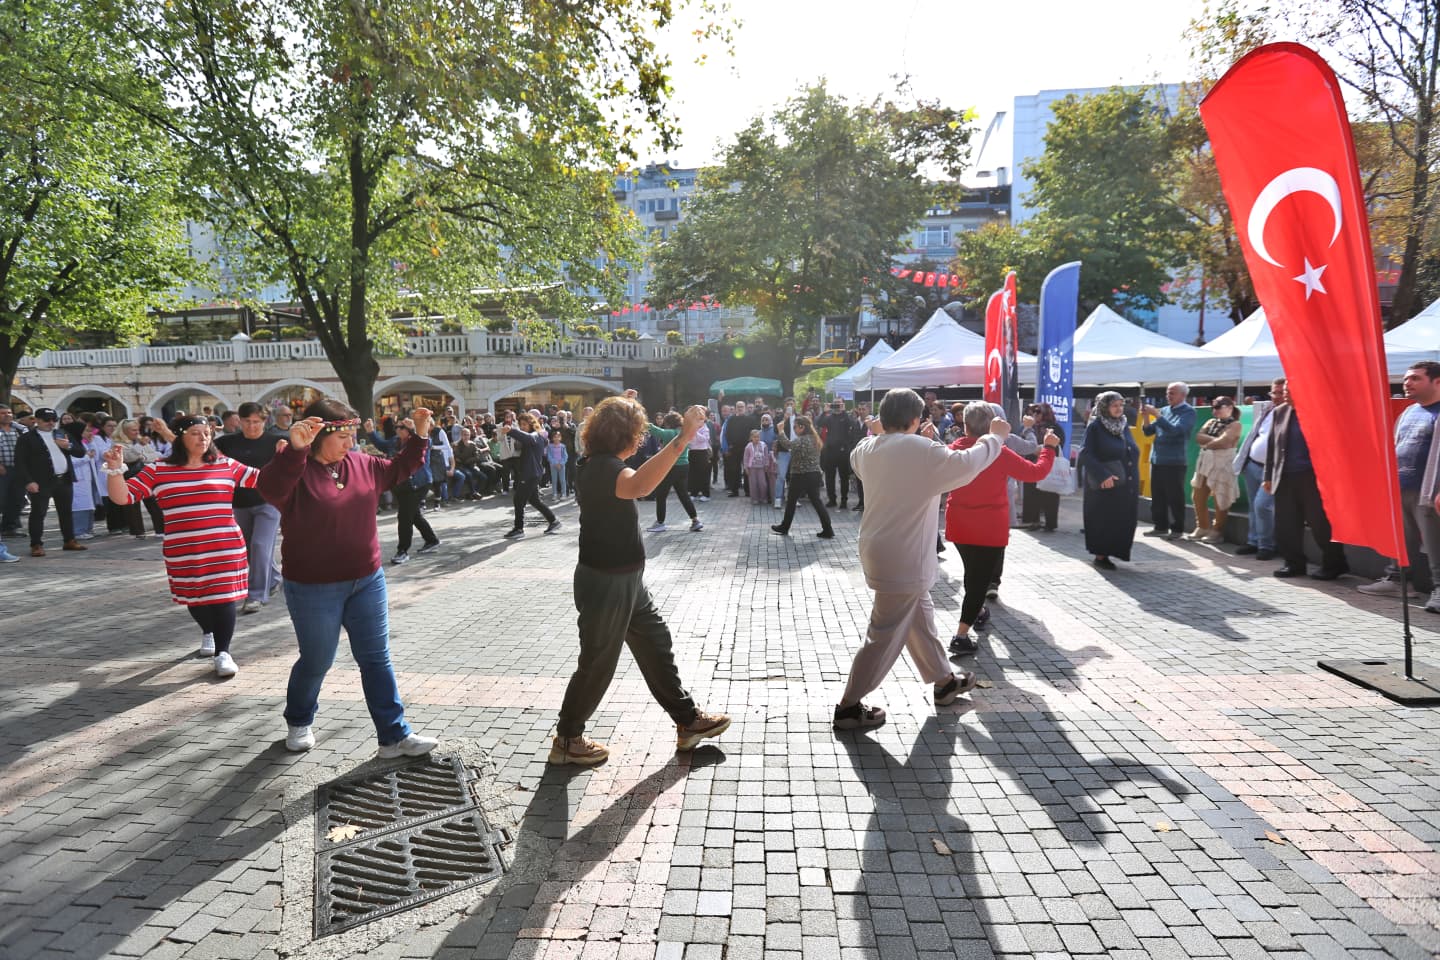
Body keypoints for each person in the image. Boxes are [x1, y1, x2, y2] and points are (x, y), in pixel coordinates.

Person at [549, 398, 730, 765]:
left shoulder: (603, 464)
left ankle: (687, 721)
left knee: (656, 644)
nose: (641, 439)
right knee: (598, 663)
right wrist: (682, 439)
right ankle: (567, 739)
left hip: (626, 581)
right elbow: (640, 486)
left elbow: (637, 479)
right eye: (638, 433)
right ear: (622, 436)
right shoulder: (602, 468)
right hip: (606, 583)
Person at [257, 399, 439, 757]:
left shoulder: (361, 463)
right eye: (342, 435)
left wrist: (420, 434)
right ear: (317, 435)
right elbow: (270, 489)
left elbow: (401, 467)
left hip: (366, 580)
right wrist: (294, 450)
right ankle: (299, 721)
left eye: (352, 434)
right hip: (312, 587)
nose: (350, 442)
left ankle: (394, 736)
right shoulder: (295, 468)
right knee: (317, 660)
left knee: (376, 657)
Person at [833, 389, 1006, 730]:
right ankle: (849, 705)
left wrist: (902, 438)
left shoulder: (867, 448)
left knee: (918, 617)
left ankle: (944, 681)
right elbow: (967, 464)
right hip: (904, 555)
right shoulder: (924, 450)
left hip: (880, 549)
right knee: (883, 635)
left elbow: (873, 453)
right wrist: (994, 439)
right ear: (915, 418)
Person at [102, 414, 259, 674]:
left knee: (223, 598)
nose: (204, 437)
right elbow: (123, 497)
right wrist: (115, 470)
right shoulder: (158, 469)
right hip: (183, 549)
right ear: (180, 437)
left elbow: (267, 481)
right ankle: (208, 631)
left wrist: (294, 457)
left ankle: (223, 653)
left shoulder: (226, 465)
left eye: (207, 432)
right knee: (195, 598)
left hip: (224, 546)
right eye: (196, 432)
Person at [945, 402, 1060, 654]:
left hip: (959, 523)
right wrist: (1049, 448)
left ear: (965, 425)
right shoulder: (998, 452)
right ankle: (961, 635)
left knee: (973, 575)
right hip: (989, 527)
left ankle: (978, 612)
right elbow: (1036, 473)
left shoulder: (954, 449)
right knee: (978, 582)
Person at [1359, 361, 1440, 600]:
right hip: (1400, 488)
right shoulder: (1408, 411)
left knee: (1435, 544)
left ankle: (1438, 588)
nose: (1407, 383)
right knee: (1401, 541)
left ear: (1437, 381)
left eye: (1415, 378)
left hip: (1429, 491)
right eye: (1406, 379)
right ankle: (1396, 581)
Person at [1264, 388, 1348, 580]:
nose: (1285, 394)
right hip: (1284, 477)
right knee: (1286, 524)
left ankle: (1334, 564)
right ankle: (1293, 564)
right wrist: (1268, 475)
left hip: (1313, 477)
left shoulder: (1320, 411)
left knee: (1320, 523)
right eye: (1284, 390)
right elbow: (1272, 446)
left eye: (1290, 390)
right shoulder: (1280, 411)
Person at [215, 403, 286, 614]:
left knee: (259, 545)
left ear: (264, 421)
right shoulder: (228, 442)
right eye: (247, 421)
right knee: (249, 549)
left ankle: (255, 595)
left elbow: (295, 462)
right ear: (240, 421)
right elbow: (208, 454)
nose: (252, 426)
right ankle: (273, 579)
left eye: (256, 421)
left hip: (269, 503)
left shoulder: (276, 441)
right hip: (239, 503)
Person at [13, 407, 88, 557]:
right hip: (41, 482)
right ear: (37, 420)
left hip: (64, 478)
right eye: (47, 420)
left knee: (66, 512)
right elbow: (20, 462)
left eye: (54, 420)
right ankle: (36, 544)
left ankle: (69, 540)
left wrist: (69, 446)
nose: (51, 423)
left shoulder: (62, 433)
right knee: (38, 513)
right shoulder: (27, 438)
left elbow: (80, 452)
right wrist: (28, 481)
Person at [1080, 391, 1141, 570]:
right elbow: (1085, 453)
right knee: (1104, 520)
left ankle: (1117, 551)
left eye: (1121, 405)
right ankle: (1101, 555)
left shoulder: (1123, 425)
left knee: (1122, 520)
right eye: (1114, 405)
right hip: (1106, 485)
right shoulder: (1095, 426)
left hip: (1125, 484)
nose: (1119, 409)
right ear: (1104, 406)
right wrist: (1103, 475)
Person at [1232, 379, 1285, 560]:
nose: (1276, 397)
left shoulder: (1292, 413)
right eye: (1273, 393)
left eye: (1280, 393)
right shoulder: (1268, 409)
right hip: (1253, 464)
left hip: (1272, 469)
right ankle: (1254, 541)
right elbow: (1256, 434)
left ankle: (1267, 545)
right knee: (1253, 506)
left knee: (1262, 505)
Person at [1140, 382, 1196, 540]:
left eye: (1172, 393)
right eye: (1167, 393)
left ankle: (1177, 529)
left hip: (1175, 461)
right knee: (1158, 496)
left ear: (1183, 395)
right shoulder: (1164, 410)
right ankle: (1160, 526)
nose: (1168, 396)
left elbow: (1176, 431)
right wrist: (1146, 416)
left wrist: (1157, 416)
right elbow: (1148, 432)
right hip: (1158, 459)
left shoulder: (1188, 412)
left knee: (1175, 496)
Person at [1186, 396, 1242, 543]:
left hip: (1224, 464)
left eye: (1218, 407)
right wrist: (1215, 442)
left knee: (1221, 497)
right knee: (1197, 495)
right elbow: (1198, 437)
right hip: (1206, 463)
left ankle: (1217, 530)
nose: (1214, 410)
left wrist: (1209, 442)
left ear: (1230, 407)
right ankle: (1202, 526)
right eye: (1213, 407)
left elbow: (1225, 441)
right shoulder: (1211, 422)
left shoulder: (1236, 425)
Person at [770, 415, 833, 539]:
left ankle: (784, 527)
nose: (794, 429)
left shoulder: (802, 439)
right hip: (814, 474)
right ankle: (828, 529)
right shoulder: (814, 439)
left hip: (801, 475)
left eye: (795, 427)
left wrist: (781, 431)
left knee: (792, 501)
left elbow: (788, 445)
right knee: (816, 501)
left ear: (802, 427)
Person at [501, 412, 561, 539]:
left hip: (530, 474)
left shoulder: (535, 436)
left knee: (518, 500)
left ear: (531, 424)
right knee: (534, 500)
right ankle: (554, 521)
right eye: (520, 425)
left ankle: (519, 529)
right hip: (532, 473)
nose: (522, 427)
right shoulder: (537, 436)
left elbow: (527, 438)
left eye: (524, 424)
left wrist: (511, 430)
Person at [391, 418, 440, 565]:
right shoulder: (400, 441)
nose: (398, 429)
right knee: (414, 515)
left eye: (401, 427)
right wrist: (371, 433)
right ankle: (432, 540)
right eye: (397, 427)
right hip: (406, 483)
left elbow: (420, 444)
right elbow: (385, 445)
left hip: (419, 483)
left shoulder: (423, 440)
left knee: (405, 517)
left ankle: (403, 551)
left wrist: (413, 430)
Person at [647, 411, 703, 533]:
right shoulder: (685, 433)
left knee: (661, 495)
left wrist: (639, 417)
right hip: (684, 467)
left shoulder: (670, 433)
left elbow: (654, 430)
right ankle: (695, 521)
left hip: (671, 467)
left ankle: (660, 523)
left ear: (669, 423)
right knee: (683, 495)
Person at [1020, 403, 1066, 532]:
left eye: (1038, 412)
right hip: (1032, 464)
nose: (1034, 415)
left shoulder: (1054, 427)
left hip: (1049, 465)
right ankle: (1032, 521)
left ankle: (1050, 523)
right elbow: (1023, 443)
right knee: (1031, 493)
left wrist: (1046, 448)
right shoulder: (1030, 427)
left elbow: (1058, 443)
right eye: (1032, 412)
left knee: (1050, 493)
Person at [817, 399, 859, 508]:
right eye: (834, 403)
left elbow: (853, 424)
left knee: (844, 477)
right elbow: (819, 423)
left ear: (842, 404)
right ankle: (832, 499)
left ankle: (844, 500)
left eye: (838, 404)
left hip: (843, 451)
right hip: (830, 451)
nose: (836, 406)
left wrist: (844, 411)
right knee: (829, 477)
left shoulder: (846, 417)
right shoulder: (829, 417)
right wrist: (824, 412)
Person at [0, 403, 26, 537]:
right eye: (3, 413)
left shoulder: (19, 429)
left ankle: (11, 527)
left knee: (17, 499)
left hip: (17, 469)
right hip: (2, 470)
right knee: (2, 499)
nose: (7, 415)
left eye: (9, 413)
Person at [743, 429, 773, 505]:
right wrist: (746, 467)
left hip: (761, 468)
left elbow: (766, 456)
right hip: (752, 468)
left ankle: (763, 497)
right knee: (753, 484)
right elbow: (746, 458)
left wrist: (766, 464)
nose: (756, 439)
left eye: (758, 437)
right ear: (751, 438)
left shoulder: (763, 445)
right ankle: (755, 498)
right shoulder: (748, 446)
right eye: (755, 437)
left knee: (763, 484)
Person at [686, 414, 712, 502]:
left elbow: (704, 439)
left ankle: (706, 494)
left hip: (702, 452)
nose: (699, 422)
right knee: (693, 473)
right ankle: (694, 493)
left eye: (701, 420)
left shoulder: (705, 428)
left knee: (703, 474)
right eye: (697, 420)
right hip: (693, 452)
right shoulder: (692, 428)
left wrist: (696, 432)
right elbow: (689, 440)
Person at [546, 430, 569, 500]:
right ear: (552, 438)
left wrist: (561, 463)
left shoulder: (563, 446)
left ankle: (564, 494)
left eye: (558, 437)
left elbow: (565, 456)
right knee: (554, 480)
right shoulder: (550, 446)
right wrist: (555, 463)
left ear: (560, 438)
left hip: (562, 466)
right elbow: (549, 456)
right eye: (555, 437)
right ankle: (554, 494)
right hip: (553, 466)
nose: (556, 438)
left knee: (562, 480)